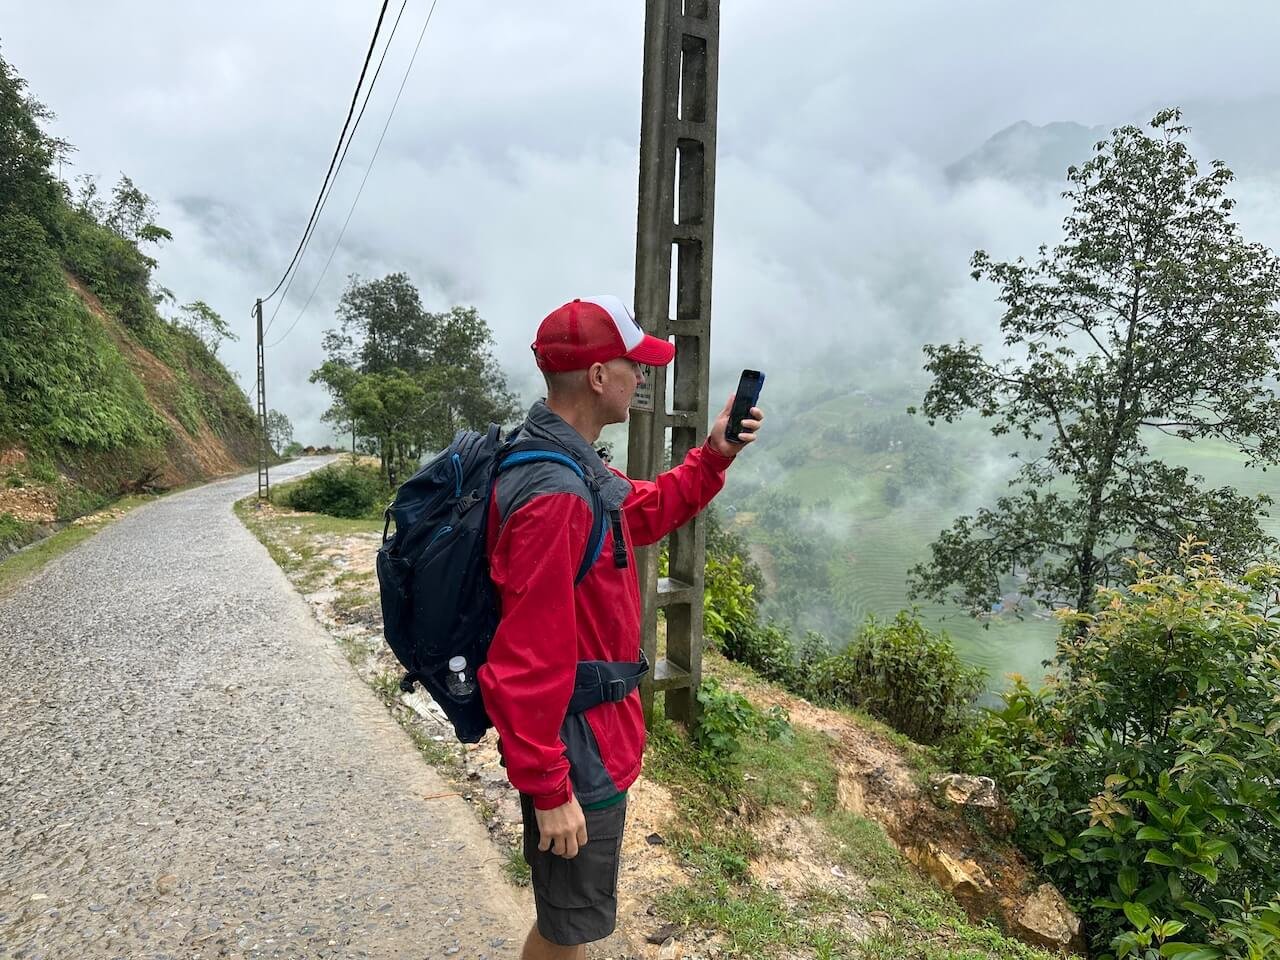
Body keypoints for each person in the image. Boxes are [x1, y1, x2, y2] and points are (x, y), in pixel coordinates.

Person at [477, 295, 763, 958]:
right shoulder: (556, 496)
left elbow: (642, 511)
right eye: (634, 367)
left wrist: (714, 455)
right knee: (566, 930)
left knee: (568, 921)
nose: (644, 378)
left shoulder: (573, 467)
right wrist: (550, 787)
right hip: (577, 748)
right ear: (598, 377)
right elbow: (522, 660)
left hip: (591, 737)